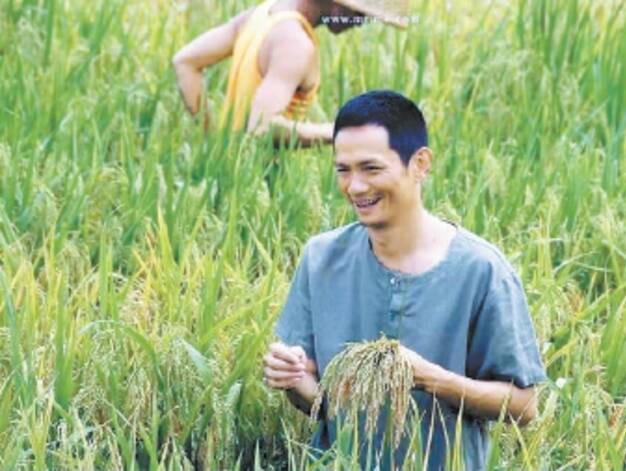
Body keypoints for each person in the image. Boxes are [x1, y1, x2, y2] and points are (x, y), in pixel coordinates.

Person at [264, 90, 547, 469]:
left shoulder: (482, 271)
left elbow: (524, 406)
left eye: (371, 168)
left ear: (420, 164)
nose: (355, 186)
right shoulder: (321, 258)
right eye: (342, 170)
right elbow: (318, 405)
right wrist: (294, 378)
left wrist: (432, 378)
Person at [172, 0, 408, 145]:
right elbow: (261, 129)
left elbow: (186, 62)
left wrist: (213, 139)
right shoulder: (295, 43)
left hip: (230, 171)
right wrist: (339, 131)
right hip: (259, 182)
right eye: (360, 12)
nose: (363, 21)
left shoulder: (263, 13)